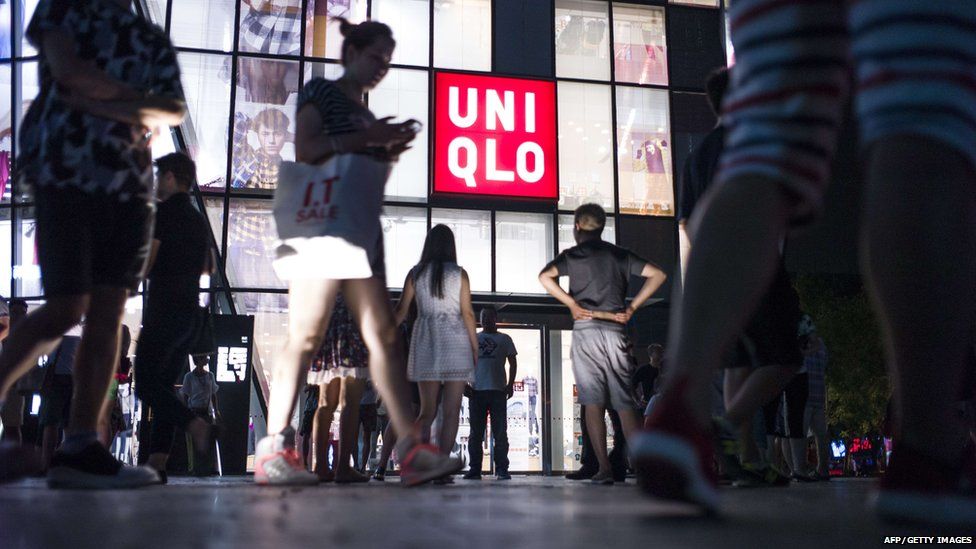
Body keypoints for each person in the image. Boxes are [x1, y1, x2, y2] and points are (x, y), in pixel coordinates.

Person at [634, 1, 976, 524]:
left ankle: (680, 414)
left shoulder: (700, 152)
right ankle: (927, 455)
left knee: (761, 149)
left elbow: (688, 221)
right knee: (920, 122)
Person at [256, 18, 460, 486]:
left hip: (358, 226)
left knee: (383, 338)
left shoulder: (366, 115)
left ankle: (410, 450)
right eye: (375, 58)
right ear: (350, 52)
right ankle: (274, 449)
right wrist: (368, 140)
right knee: (306, 337)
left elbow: (366, 176)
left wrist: (386, 150)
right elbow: (306, 150)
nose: (380, 69)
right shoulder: (320, 93)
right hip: (323, 225)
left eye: (387, 62)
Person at [0, 0, 186, 488]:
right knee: (65, 307)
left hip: (126, 186)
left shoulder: (149, 38)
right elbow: (66, 71)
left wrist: (103, 103)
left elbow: (173, 107)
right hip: (66, 172)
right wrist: (134, 105)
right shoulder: (64, 9)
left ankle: (81, 446)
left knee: (107, 312)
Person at [539, 203, 667, 485]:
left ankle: (604, 468)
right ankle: (644, 468)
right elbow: (658, 275)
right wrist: (632, 308)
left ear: (576, 227)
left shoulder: (573, 255)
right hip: (615, 330)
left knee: (592, 403)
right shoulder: (619, 254)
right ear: (602, 226)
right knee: (624, 402)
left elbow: (545, 277)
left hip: (586, 331)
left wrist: (571, 303)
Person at [134, 152, 216, 484]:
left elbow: (148, 261)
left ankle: (194, 425)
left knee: (146, 384)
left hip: (163, 309)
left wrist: (128, 278)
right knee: (164, 386)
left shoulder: (163, 214)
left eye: (158, 177)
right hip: (188, 314)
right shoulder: (198, 219)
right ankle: (157, 463)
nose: (155, 183)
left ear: (170, 177)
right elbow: (208, 265)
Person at [395, 224, 478, 484]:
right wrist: (474, 347)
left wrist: (383, 338)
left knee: (427, 411)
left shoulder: (415, 273)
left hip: (426, 339)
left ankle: (414, 463)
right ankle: (442, 467)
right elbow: (467, 314)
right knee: (452, 410)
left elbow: (400, 311)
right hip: (455, 342)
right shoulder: (460, 274)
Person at [307, 294, 370, 483]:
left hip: (327, 330)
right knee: (350, 403)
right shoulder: (359, 269)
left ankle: (320, 467)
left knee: (325, 403)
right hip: (353, 331)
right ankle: (343, 466)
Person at [463, 306, 517, 481]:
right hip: (476, 391)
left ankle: (502, 469)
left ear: (495, 318)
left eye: (488, 316)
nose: (485, 319)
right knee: (475, 434)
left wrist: (510, 384)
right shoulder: (473, 339)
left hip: (498, 391)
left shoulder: (505, 339)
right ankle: (475, 469)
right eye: (483, 316)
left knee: (500, 433)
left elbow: (513, 362)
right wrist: (464, 383)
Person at [38, 326, 81, 472]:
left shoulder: (59, 326)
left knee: (51, 424)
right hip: (72, 379)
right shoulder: (81, 330)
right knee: (67, 424)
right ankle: (68, 464)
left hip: (56, 378)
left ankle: (47, 464)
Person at [231, 108, 292, 190]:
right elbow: (236, 121)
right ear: (258, 134)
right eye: (265, 134)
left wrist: (294, 137)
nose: (271, 141)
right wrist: (256, 124)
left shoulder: (287, 172)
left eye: (277, 134)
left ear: (285, 136)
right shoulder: (247, 158)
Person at [181, 355, 220, 476]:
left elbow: (213, 394)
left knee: (208, 441)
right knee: (193, 443)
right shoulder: (189, 377)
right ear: (198, 360)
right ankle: (193, 468)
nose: (207, 359)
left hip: (206, 412)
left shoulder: (210, 376)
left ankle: (208, 467)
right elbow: (185, 395)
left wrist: (216, 410)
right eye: (205, 357)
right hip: (194, 412)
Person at [801, 326, 830, 480]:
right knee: (821, 435)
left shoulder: (803, 344)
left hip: (804, 395)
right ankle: (823, 469)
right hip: (819, 394)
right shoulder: (821, 345)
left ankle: (801, 469)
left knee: (801, 434)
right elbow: (825, 363)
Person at [0, 299, 29, 444]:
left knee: (12, 427)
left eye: (22, 313)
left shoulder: (26, 336)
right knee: (12, 427)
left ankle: (12, 461)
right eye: (15, 312)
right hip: (13, 386)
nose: (18, 316)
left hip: (14, 387)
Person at [357, 380, 379, 473]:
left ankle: (362, 467)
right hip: (360, 404)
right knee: (356, 437)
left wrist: (378, 401)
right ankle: (356, 465)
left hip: (370, 405)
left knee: (367, 438)